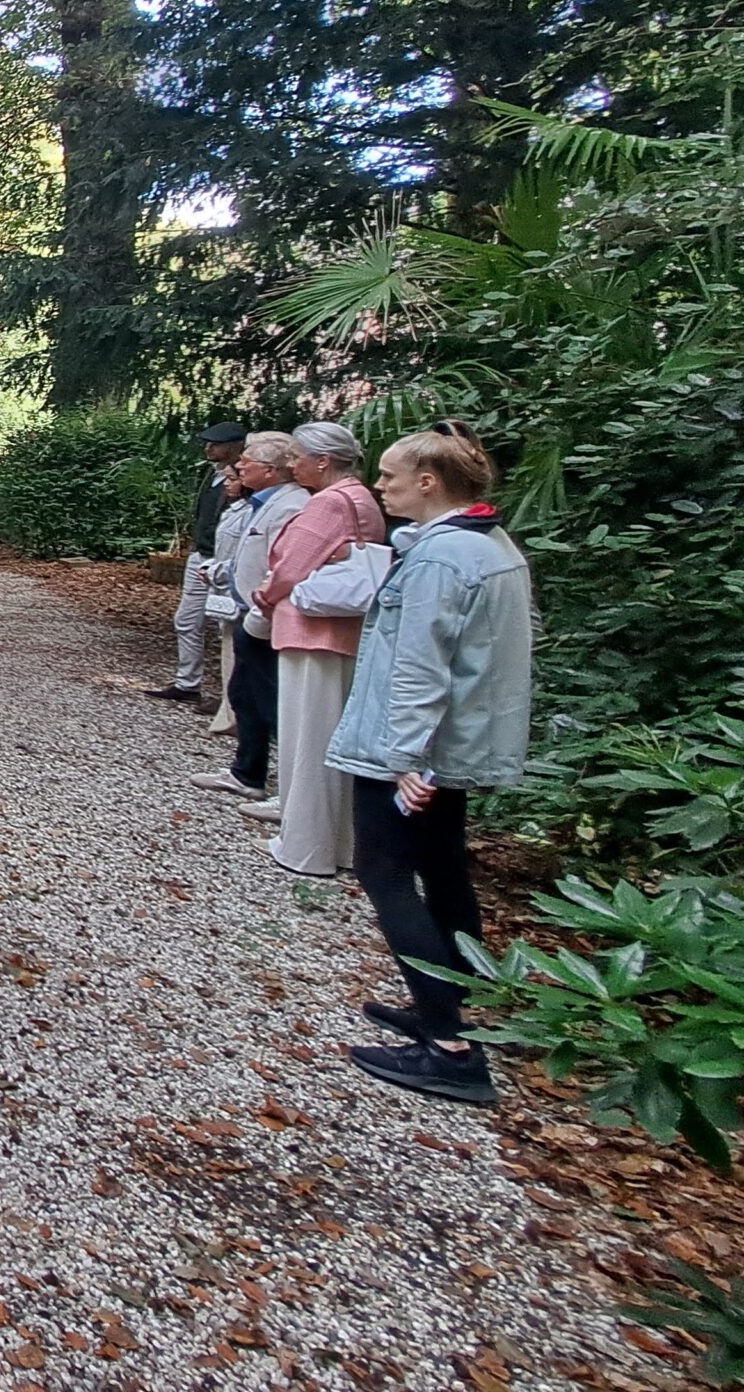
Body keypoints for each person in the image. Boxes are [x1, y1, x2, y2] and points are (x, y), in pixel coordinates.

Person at [326, 421, 533, 1107]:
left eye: (389, 475)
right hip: (456, 744)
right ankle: (450, 999)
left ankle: (448, 1043)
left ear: (429, 482)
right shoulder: (486, 544)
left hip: (415, 751)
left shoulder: (442, 560)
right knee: (444, 872)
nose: (379, 485)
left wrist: (405, 757)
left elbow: (421, 664)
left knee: (387, 876)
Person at [254, 422, 385, 876]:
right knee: (323, 733)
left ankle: (306, 845)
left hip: (315, 629)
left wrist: (267, 595)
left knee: (309, 735)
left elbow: (293, 562)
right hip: (338, 631)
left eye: (298, 457)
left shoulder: (330, 502)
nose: (292, 465)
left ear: (323, 461)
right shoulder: (360, 498)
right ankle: (333, 840)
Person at [190, 432, 304, 803]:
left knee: (270, 698)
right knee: (245, 693)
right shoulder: (258, 502)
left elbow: (284, 564)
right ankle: (247, 772)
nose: (239, 466)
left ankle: (290, 788)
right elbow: (248, 552)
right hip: (246, 607)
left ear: (271, 471)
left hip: (264, 613)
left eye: (248, 462)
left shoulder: (290, 506)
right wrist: (224, 571)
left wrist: (262, 604)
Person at [147, 422, 248, 707]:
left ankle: (233, 697)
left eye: (215, 444)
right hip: (201, 555)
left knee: (226, 625)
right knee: (187, 619)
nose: (208, 448)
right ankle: (187, 682)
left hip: (225, 559)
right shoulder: (211, 474)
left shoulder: (246, 478)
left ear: (235, 446)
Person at [202, 463, 252, 735]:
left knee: (239, 651)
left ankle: (237, 715)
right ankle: (229, 710)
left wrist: (218, 571)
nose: (226, 484)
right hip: (222, 583)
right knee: (228, 648)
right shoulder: (233, 510)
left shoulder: (251, 513)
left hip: (238, 589)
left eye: (232, 479)